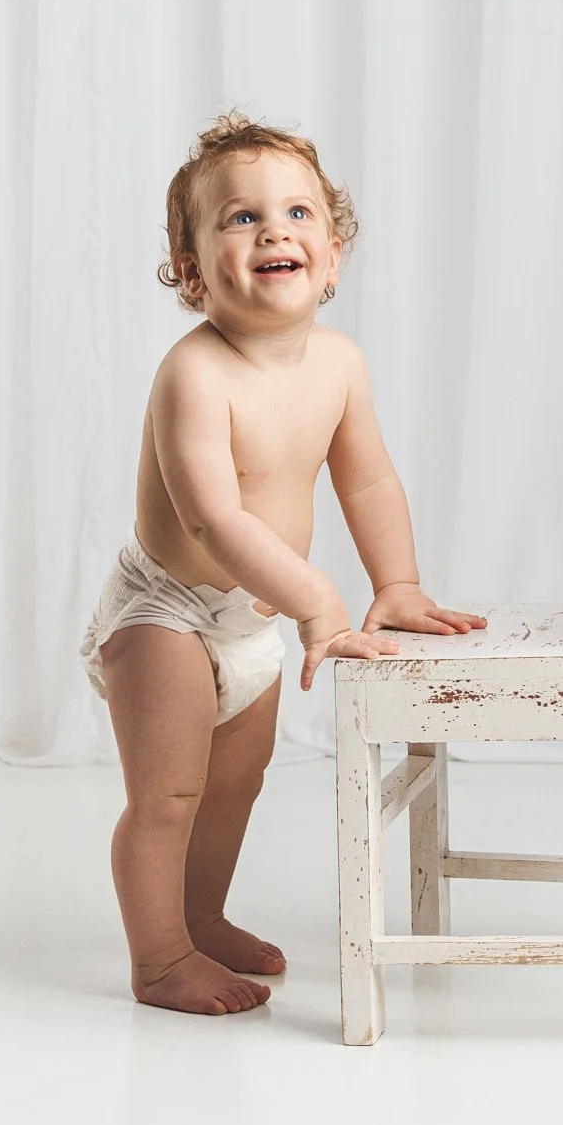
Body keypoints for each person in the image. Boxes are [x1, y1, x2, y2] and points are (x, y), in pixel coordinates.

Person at [79, 109, 485, 1015]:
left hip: (252, 620)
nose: (274, 231)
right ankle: (159, 959)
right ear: (192, 272)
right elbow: (211, 518)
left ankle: (201, 917)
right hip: (166, 612)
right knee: (169, 794)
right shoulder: (194, 374)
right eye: (241, 218)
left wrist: (397, 584)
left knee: (233, 786)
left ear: (331, 257)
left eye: (298, 213)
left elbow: (368, 481)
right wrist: (315, 600)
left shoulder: (339, 365)